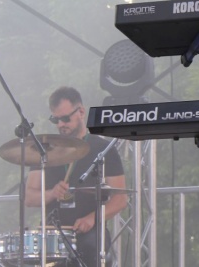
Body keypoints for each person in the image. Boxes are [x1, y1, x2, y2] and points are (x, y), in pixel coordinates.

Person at [25, 86, 128, 267]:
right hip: (53, 233)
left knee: (91, 248)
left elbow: (120, 199)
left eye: (65, 118)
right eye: (55, 119)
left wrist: (93, 218)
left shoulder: (103, 149)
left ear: (81, 112)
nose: (60, 124)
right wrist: (52, 193)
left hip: (89, 232)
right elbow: (29, 197)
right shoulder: (45, 150)